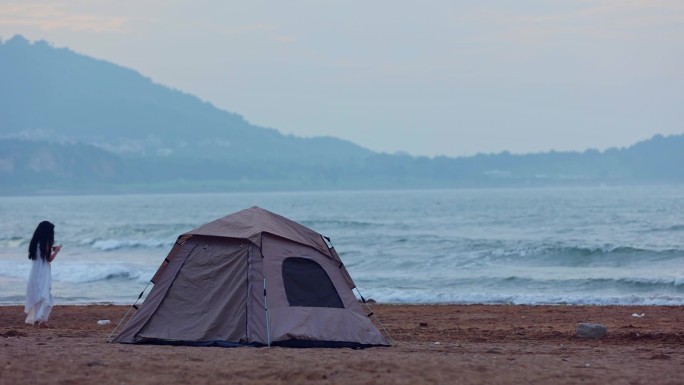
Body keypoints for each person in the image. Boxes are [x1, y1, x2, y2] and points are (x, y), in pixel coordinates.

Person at [25, 221, 61, 327]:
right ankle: (41, 320)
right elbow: (49, 259)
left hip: (35, 270)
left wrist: (51, 248)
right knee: (45, 295)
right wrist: (56, 251)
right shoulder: (45, 242)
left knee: (39, 294)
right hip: (43, 270)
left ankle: (38, 320)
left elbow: (41, 254)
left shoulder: (35, 242)